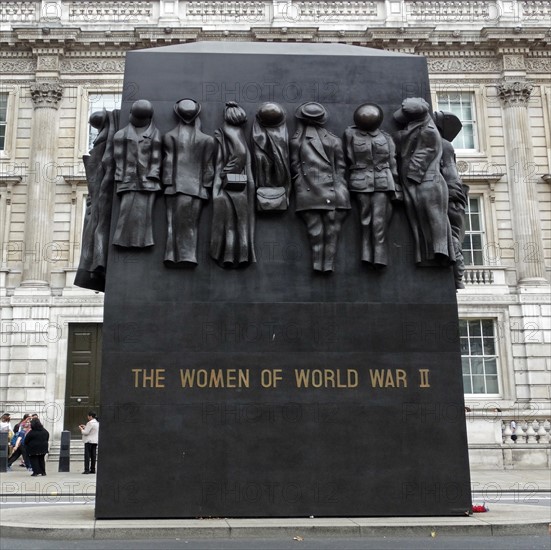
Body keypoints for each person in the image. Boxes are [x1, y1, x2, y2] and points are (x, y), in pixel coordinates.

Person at [290, 102, 350, 272]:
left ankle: (325, 265)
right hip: (314, 191)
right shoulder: (330, 139)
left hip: (329, 191)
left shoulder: (299, 140)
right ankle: (321, 265)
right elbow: (296, 166)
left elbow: (340, 168)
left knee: (323, 230)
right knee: (322, 231)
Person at [344, 103, 401, 267]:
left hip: (382, 181)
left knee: (379, 221)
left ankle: (380, 257)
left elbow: (392, 162)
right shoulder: (351, 134)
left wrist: (396, 184)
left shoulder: (386, 137)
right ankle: (367, 255)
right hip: (361, 180)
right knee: (365, 219)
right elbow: (348, 155)